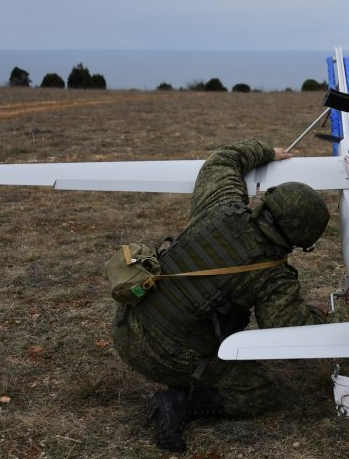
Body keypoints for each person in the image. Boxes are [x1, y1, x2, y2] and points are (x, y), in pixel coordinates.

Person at [111, 139, 330, 452]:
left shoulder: (222, 205)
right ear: (301, 239)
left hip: (126, 323)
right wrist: (322, 315)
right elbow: (289, 333)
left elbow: (222, 160)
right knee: (257, 391)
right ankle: (179, 403)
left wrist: (267, 153)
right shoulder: (273, 274)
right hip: (163, 356)